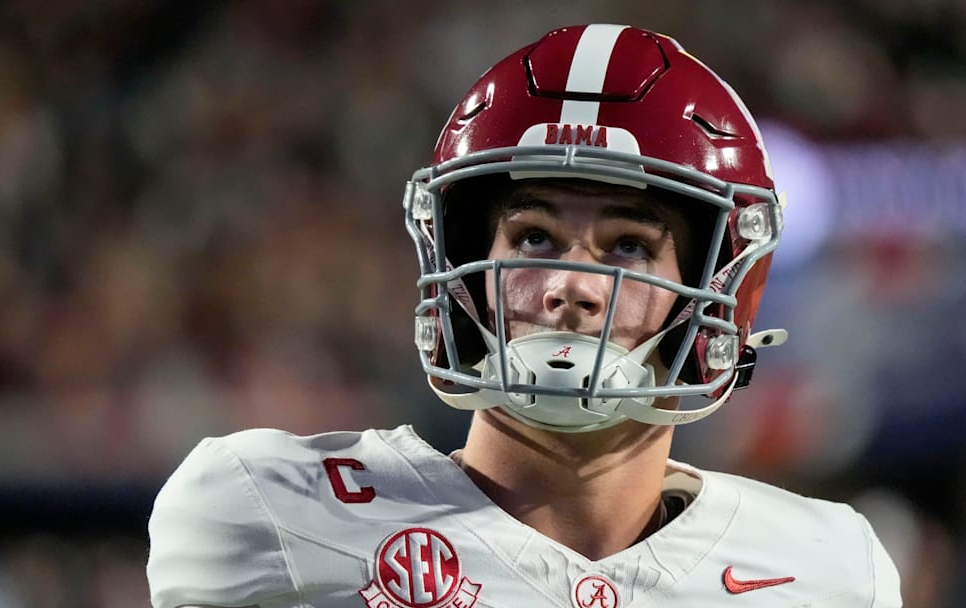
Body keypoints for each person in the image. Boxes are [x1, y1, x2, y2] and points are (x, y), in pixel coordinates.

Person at [147, 24, 902, 608]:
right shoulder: (272, 513)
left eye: (630, 246)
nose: (571, 287)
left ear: (717, 289)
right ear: (462, 264)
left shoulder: (828, 569)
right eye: (534, 235)